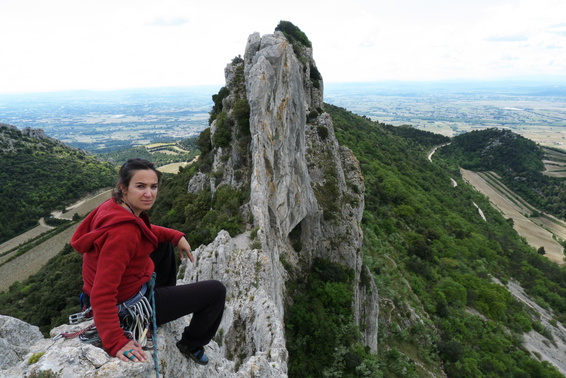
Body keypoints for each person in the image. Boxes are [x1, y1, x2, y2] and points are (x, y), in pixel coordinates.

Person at [71, 158, 226, 366]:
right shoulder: (123, 233)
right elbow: (103, 292)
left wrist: (174, 236)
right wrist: (116, 341)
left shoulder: (113, 207)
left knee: (160, 243)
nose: (149, 193)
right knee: (216, 291)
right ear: (124, 188)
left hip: (102, 294)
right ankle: (191, 343)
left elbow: (143, 232)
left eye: (153, 187)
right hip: (126, 308)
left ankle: (163, 297)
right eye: (140, 186)